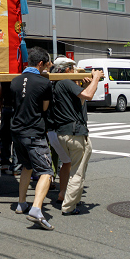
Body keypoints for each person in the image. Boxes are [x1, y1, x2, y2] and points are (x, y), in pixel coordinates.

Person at [48, 58, 103, 215]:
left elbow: (79, 102)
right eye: (73, 68)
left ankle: (63, 194)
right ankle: (69, 206)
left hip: (61, 132)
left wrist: (85, 85)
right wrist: (96, 78)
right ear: (66, 70)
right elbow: (88, 95)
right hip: (75, 133)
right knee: (77, 172)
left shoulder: (56, 84)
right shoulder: (66, 81)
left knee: (68, 164)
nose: (75, 71)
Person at [10, 47, 54, 231]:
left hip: (17, 131)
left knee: (26, 166)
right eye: (47, 64)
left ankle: (21, 203)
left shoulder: (15, 81)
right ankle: (36, 208)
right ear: (41, 64)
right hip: (34, 132)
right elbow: (44, 108)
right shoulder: (44, 83)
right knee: (46, 171)